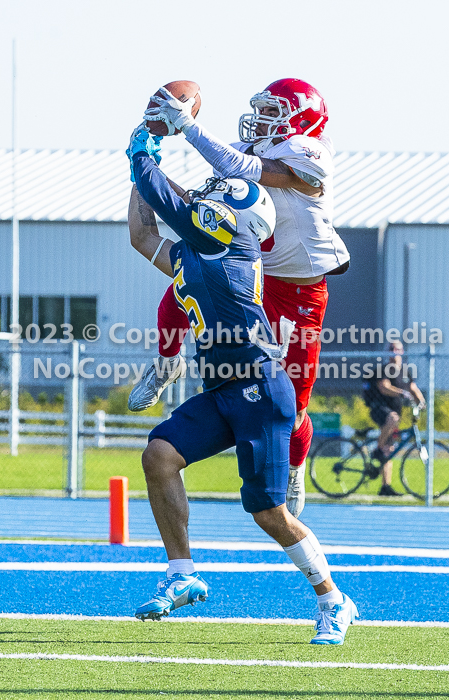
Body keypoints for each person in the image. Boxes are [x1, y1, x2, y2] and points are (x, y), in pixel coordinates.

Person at [126, 126, 358, 645]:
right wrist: (137, 171)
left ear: (236, 219)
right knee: (159, 454)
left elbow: (170, 202)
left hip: (261, 389)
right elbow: (144, 236)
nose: (205, 199)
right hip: (224, 391)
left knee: (268, 513)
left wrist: (144, 151)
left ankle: (333, 600)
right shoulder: (201, 252)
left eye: (215, 201)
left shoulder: (230, 254)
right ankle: (181, 574)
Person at [128, 78, 350, 519]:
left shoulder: (312, 153)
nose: (261, 119)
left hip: (300, 288)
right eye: (262, 109)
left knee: (297, 402)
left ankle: (295, 464)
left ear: (301, 118)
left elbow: (253, 172)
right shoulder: (235, 148)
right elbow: (202, 204)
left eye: (273, 111)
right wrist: (147, 166)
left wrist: (189, 129)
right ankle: (167, 362)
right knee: (177, 295)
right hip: (251, 272)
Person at [362, 341, 425, 496]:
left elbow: (413, 389)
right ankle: (377, 449)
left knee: (389, 450)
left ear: (402, 351)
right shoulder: (384, 369)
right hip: (379, 410)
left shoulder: (405, 372)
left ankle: (385, 487)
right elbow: (384, 387)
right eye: (391, 349)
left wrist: (422, 403)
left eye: (397, 349)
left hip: (394, 413)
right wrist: (402, 393)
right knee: (393, 418)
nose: (394, 352)